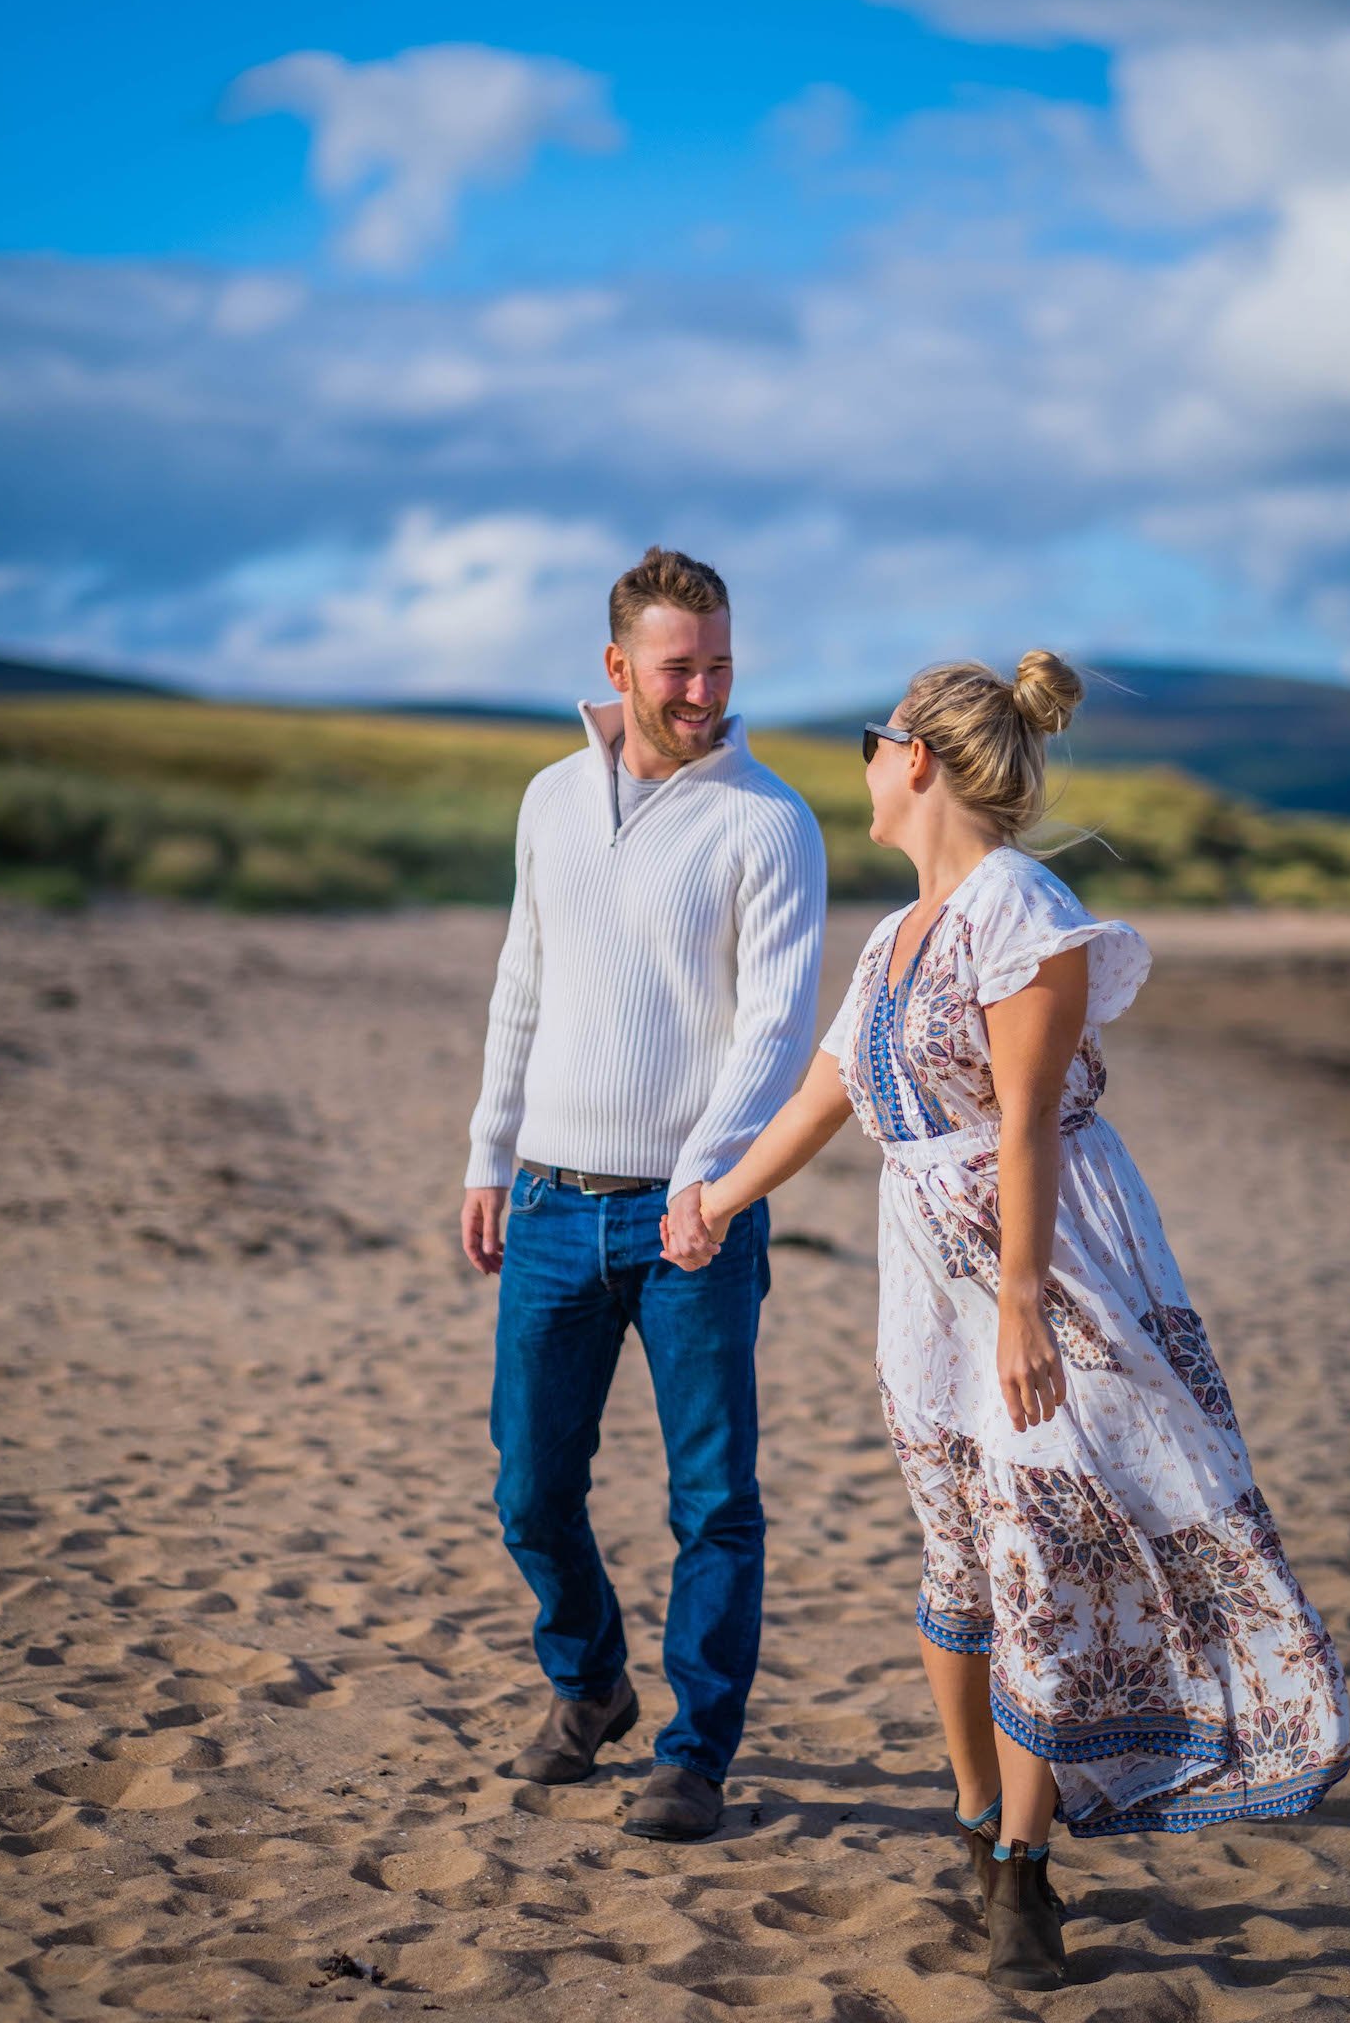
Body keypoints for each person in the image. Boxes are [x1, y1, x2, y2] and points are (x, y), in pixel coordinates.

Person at [663, 650, 1350, 1988]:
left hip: (1049, 1267)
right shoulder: (894, 933)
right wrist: (719, 1199)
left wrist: (1025, 1307)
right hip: (927, 1277)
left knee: (1041, 1541)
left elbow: (1029, 1121)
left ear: (913, 755)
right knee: (959, 1554)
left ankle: (1029, 1871)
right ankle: (981, 1822)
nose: (861, 764)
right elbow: (824, 1093)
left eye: (873, 740)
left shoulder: (1020, 907)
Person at [461, 546, 827, 1842]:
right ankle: (591, 1683)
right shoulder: (551, 798)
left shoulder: (770, 819)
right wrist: (486, 1154)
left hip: (701, 1223)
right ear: (618, 669)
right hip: (554, 1206)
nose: (706, 689)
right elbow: (524, 979)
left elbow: (777, 1037)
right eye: (680, 667)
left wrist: (702, 1185)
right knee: (529, 1490)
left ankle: (696, 1752)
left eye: (722, 662)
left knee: (714, 1500)